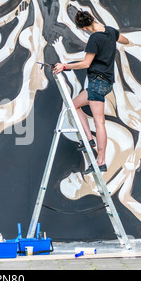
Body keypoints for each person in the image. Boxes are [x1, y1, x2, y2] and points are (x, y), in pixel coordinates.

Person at [54, 10, 129, 174]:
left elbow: (86, 63)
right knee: (74, 106)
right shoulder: (110, 31)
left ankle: (101, 161)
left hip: (97, 82)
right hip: (106, 82)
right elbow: (126, 40)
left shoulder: (94, 38)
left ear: (84, 27)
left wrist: (64, 66)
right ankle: (89, 139)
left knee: (99, 122)